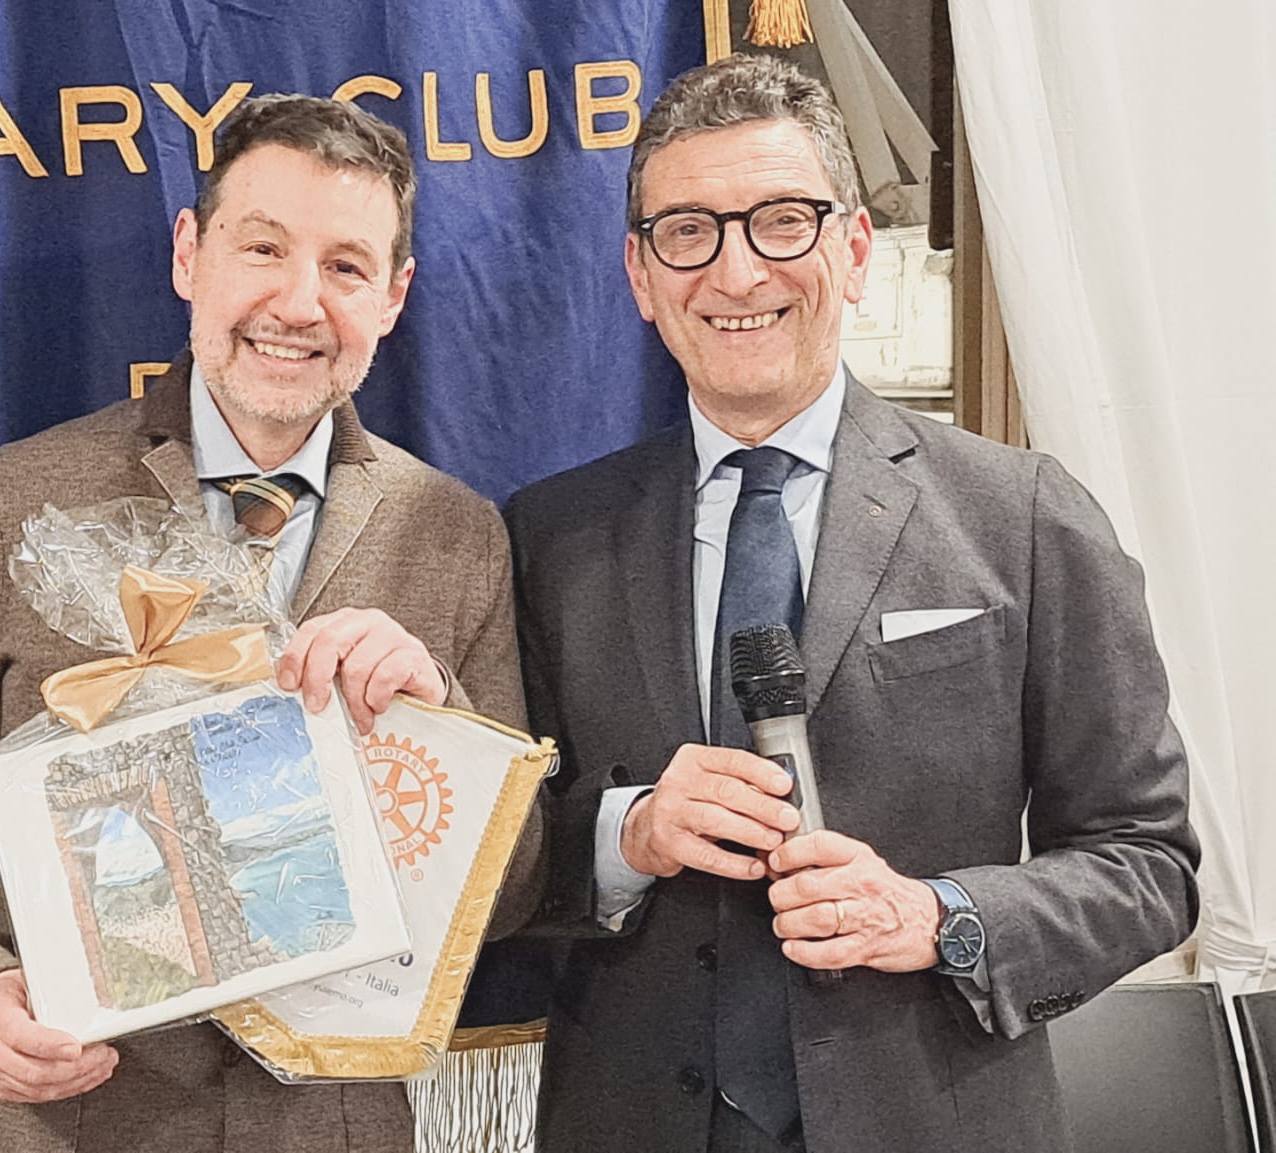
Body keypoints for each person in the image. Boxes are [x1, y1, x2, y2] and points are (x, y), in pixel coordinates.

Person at [0, 94, 528, 1153]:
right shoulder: (12, 503)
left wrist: (442, 730)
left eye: (344, 266)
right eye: (262, 248)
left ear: (393, 295)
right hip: (59, 1124)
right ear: (190, 253)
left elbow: (509, 894)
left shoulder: (456, 534)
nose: (297, 301)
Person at [508, 54, 1198, 1153]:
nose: (737, 272)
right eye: (687, 232)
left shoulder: (1022, 514)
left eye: (782, 221)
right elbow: (491, 862)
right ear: (640, 275)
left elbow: (1146, 862)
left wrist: (938, 916)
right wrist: (624, 834)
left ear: (856, 248)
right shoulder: (547, 537)